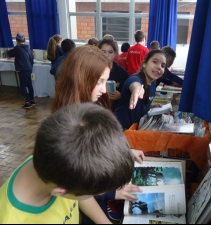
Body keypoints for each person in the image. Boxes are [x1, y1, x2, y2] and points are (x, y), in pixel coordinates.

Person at [51, 45, 145, 223]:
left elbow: (98, 148)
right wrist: (112, 193)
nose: (104, 89)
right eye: (100, 81)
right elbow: (77, 185)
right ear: (82, 78)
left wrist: (126, 152)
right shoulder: (70, 124)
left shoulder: (89, 105)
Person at [0, 102, 135, 224]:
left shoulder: (52, 162)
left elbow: (82, 197)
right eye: (95, 193)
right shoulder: (12, 219)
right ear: (60, 192)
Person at [115, 50, 166, 130]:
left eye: (163, 66)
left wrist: (152, 107)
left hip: (137, 130)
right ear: (144, 64)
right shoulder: (135, 78)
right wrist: (137, 90)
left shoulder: (153, 84)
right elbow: (135, 85)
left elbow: (143, 106)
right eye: (155, 62)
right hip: (120, 130)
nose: (159, 67)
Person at [98, 38, 129, 112]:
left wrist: (120, 95)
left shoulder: (122, 72)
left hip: (116, 110)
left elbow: (128, 93)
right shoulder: (93, 70)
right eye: (103, 52)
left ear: (115, 53)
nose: (106, 55)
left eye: (110, 52)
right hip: (97, 108)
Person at [7, 32, 35, 109]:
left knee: (22, 86)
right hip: (29, 68)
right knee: (29, 85)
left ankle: (27, 102)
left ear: (16, 40)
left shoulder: (18, 48)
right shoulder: (28, 48)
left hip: (23, 69)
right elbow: (31, 59)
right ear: (24, 40)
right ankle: (32, 100)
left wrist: (7, 50)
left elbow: (9, 53)